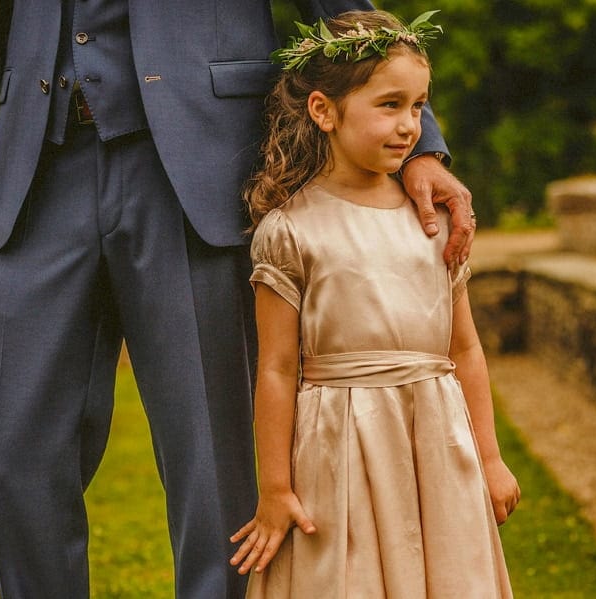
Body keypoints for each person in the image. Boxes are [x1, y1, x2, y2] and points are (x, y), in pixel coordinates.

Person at [0, 1, 474, 597]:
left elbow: (343, 5)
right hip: (34, 175)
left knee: (215, 461)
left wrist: (420, 147)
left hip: (199, 171)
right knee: (10, 458)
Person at [229, 10, 520, 597]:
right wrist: (276, 488)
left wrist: (489, 458)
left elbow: (464, 346)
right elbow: (278, 369)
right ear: (323, 110)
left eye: (418, 106)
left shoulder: (431, 221)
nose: (410, 125)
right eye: (389, 105)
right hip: (339, 446)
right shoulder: (290, 231)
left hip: (436, 438)